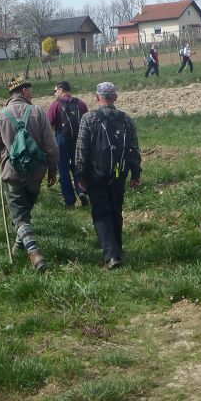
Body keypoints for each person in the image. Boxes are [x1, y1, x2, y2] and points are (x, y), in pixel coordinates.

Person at [0, 76, 59, 271]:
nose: (33, 94)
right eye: (31, 90)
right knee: (24, 213)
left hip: (13, 174)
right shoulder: (38, 112)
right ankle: (32, 251)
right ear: (23, 91)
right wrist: (53, 169)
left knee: (21, 215)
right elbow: (52, 147)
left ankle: (31, 251)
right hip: (36, 172)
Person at [75, 82, 142, 270]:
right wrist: (136, 173)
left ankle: (111, 255)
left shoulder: (88, 119)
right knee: (115, 209)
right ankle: (117, 250)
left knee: (101, 212)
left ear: (97, 98)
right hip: (119, 173)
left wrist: (80, 175)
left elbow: (81, 150)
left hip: (96, 174)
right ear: (116, 98)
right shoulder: (127, 120)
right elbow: (133, 149)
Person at [46, 81, 89, 209]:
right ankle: (81, 191)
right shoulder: (81, 104)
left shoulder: (56, 105)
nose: (54, 93)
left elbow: (49, 124)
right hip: (79, 140)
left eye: (55, 91)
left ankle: (69, 201)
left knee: (63, 170)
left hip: (61, 140)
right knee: (78, 167)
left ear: (60, 90)